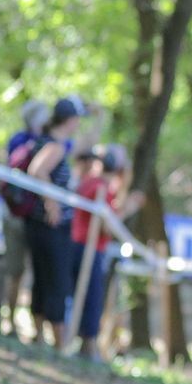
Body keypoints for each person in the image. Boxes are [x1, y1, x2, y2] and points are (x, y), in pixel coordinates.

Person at [70, 144, 144, 360]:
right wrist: (128, 208)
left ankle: (86, 343)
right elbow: (106, 226)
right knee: (92, 296)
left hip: (81, 244)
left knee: (87, 295)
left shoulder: (89, 183)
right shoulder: (101, 188)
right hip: (89, 247)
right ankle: (89, 345)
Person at [24, 97, 84, 346]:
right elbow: (37, 170)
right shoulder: (55, 146)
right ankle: (59, 342)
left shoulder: (48, 141)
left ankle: (39, 335)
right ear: (70, 120)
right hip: (50, 226)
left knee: (42, 278)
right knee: (57, 280)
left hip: (40, 225)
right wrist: (52, 203)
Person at [2, 99, 50, 335]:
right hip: (16, 215)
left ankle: (35, 326)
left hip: (36, 219)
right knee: (16, 270)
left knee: (35, 271)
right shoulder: (20, 141)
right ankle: (9, 320)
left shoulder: (50, 143)